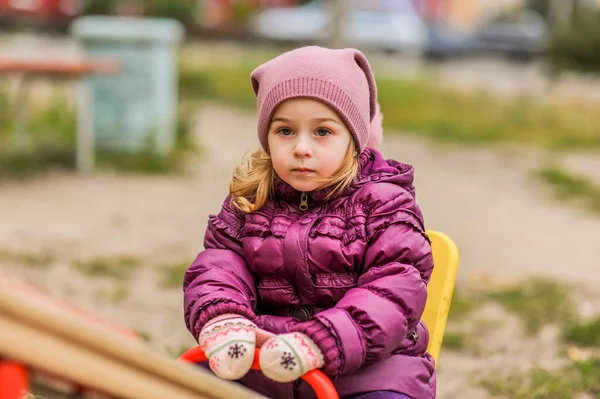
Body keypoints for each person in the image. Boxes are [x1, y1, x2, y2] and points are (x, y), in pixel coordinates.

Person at [183, 46, 435, 399]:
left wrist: (322, 340)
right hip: (267, 363)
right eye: (285, 131)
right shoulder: (253, 197)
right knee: (181, 381)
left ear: (354, 139)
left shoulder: (384, 204)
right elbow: (219, 266)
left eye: (322, 132)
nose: (302, 148)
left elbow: (393, 291)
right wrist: (224, 316)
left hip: (367, 372)